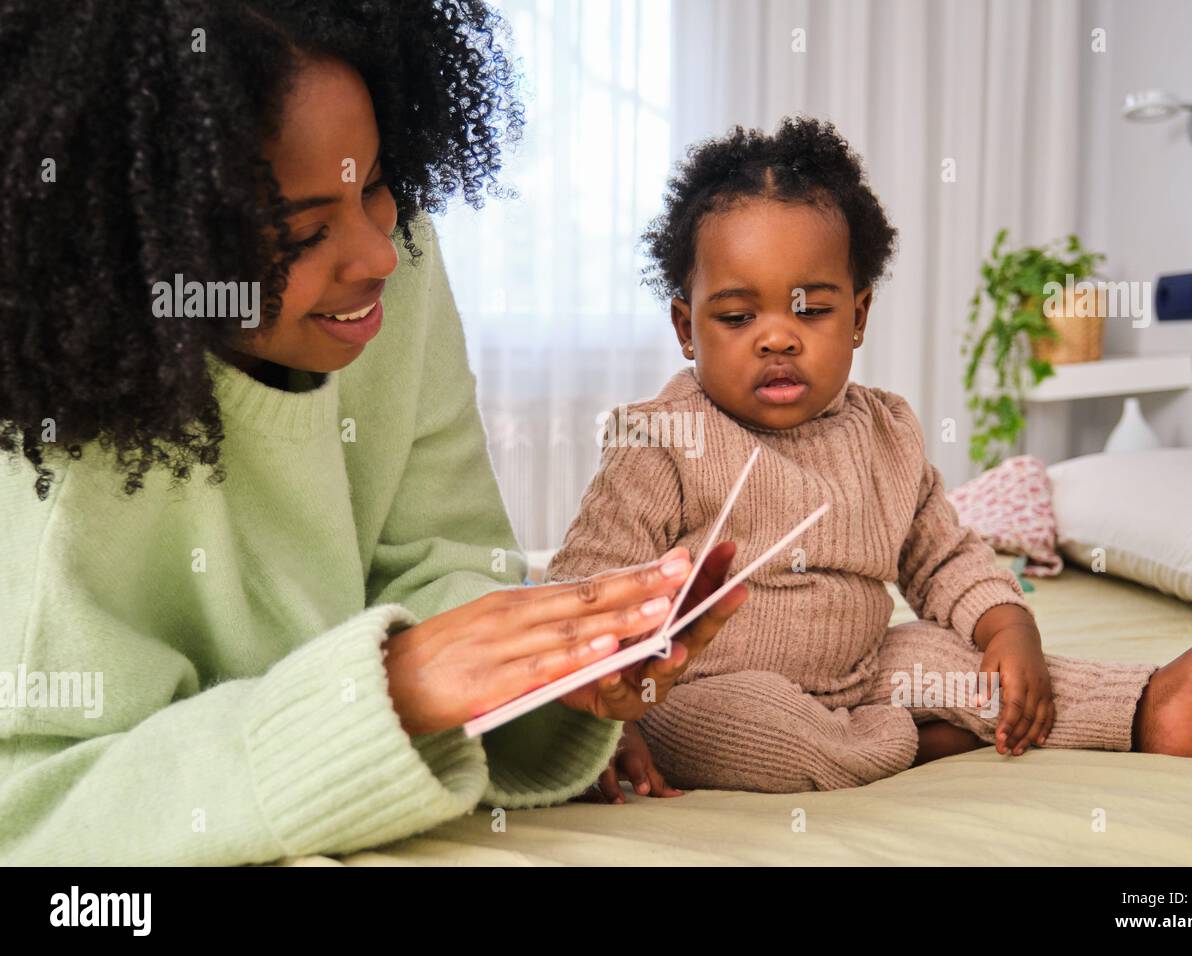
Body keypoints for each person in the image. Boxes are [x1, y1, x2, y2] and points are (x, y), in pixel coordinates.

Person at [0, 0, 745, 864]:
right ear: (154, 250)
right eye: (306, 230)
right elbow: (35, 811)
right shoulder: (62, 429)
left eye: (378, 185)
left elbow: (437, 557)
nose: (378, 255)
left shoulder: (398, 272)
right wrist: (388, 690)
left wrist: (549, 675)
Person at [549, 116, 1192, 796]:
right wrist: (612, 719)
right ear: (687, 327)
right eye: (739, 317)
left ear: (858, 316)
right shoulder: (661, 443)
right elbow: (584, 591)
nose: (777, 337)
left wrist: (1008, 628)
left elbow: (944, 557)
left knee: (962, 664)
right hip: (704, 688)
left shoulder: (886, 434)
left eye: (812, 309)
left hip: (866, 669)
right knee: (750, 726)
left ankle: (1144, 707)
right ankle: (913, 746)